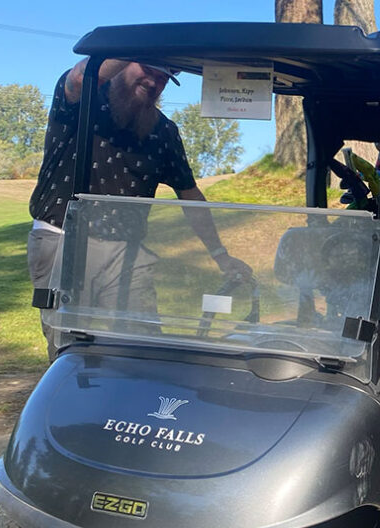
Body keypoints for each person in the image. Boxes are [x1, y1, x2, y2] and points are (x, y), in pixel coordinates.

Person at [28, 58, 250, 355]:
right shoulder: (84, 99)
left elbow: (190, 196)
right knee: (70, 351)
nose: (153, 82)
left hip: (128, 252)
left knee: (144, 345)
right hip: (63, 241)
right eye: (147, 70)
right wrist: (137, 45)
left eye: (163, 78)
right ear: (122, 65)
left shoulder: (164, 132)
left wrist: (221, 255)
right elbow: (79, 78)